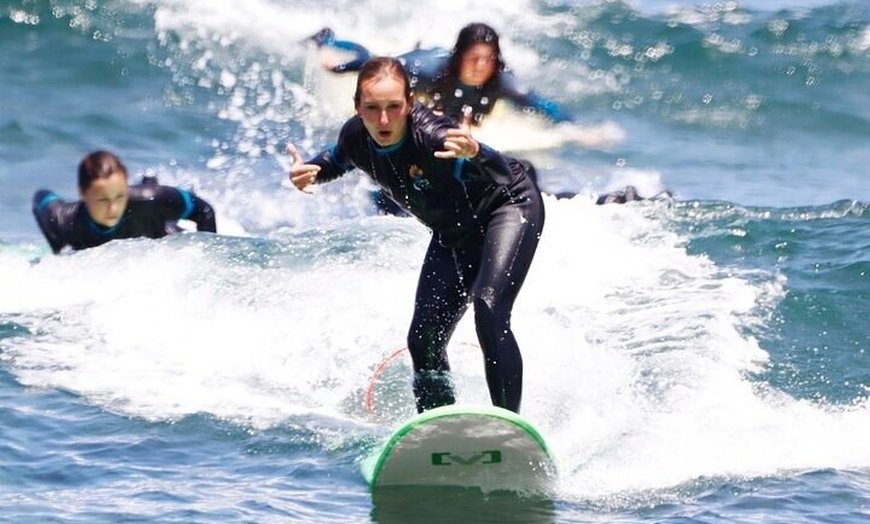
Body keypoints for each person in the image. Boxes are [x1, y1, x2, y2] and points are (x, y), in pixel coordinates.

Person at [286, 56, 545, 415]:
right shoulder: (356, 136)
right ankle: (438, 426)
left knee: (488, 310)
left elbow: (507, 175)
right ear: (357, 106)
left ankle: (509, 426)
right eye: (372, 108)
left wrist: (478, 151)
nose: (383, 119)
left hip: (507, 208)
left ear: (409, 103)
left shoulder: (434, 138)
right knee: (423, 339)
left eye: (394, 107)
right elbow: (334, 162)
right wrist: (310, 173)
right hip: (454, 233)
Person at [307, 23, 573, 127]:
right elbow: (379, 64)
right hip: (421, 57)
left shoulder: (502, 81)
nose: (481, 65)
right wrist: (341, 68)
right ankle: (328, 38)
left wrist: (570, 126)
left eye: (488, 59)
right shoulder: (428, 72)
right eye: (474, 58)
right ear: (460, 58)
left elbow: (540, 104)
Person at [32, 150, 217, 254]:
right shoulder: (65, 221)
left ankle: (149, 180)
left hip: (161, 237)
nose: (113, 208)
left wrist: (208, 258)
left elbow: (204, 211)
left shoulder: (150, 199)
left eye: (120, 196)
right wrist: (57, 249)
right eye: (103, 199)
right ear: (82, 193)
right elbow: (40, 197)